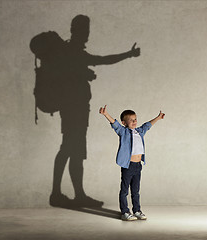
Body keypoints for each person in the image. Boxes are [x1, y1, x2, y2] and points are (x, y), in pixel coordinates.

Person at [50, 15, 141, 208]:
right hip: (73, 111)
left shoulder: (71, 52)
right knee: (69, 148)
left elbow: (97, 62)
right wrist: (129, 55)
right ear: (77, 31)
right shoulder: (72, 52)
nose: (87, 34)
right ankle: (60, 194)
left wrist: (83, 74)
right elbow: (102, 60)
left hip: (77, 111)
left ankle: (71, 194)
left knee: (73, 150)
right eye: (85, 30)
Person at [99, 105, 165, 220]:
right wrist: (106, 114)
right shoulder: (123, 132)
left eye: (135, 119)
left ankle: (137, 210)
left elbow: (147, 125)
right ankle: (125, 212)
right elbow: (115, 124)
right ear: (124, 122)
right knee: (124, 191)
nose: (134, 122)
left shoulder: (139, 131)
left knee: (136, 191)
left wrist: (158, 117)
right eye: (131, 120)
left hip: (138, 166)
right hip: (128, 165)